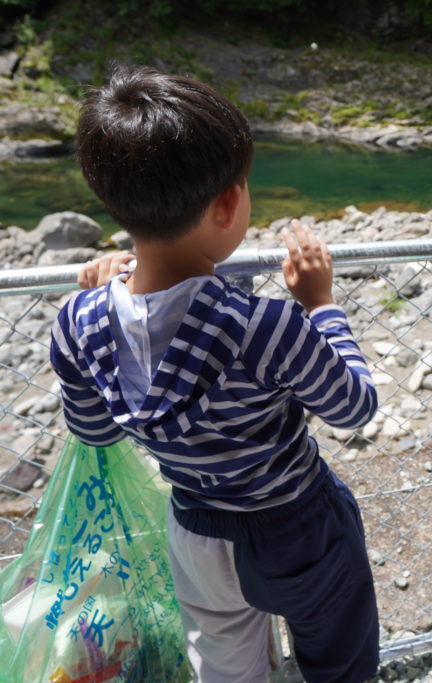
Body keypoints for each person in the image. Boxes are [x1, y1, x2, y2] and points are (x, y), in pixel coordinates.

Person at [50, 65, 380, 683]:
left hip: (196, 530)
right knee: (339, 660)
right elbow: (354, 406)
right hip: (297, 524)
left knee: (227, 669)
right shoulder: (266, 326)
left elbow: (94, 430)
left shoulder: (78, 320)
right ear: (229, 204)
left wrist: (107, 288)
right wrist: (321, 306)